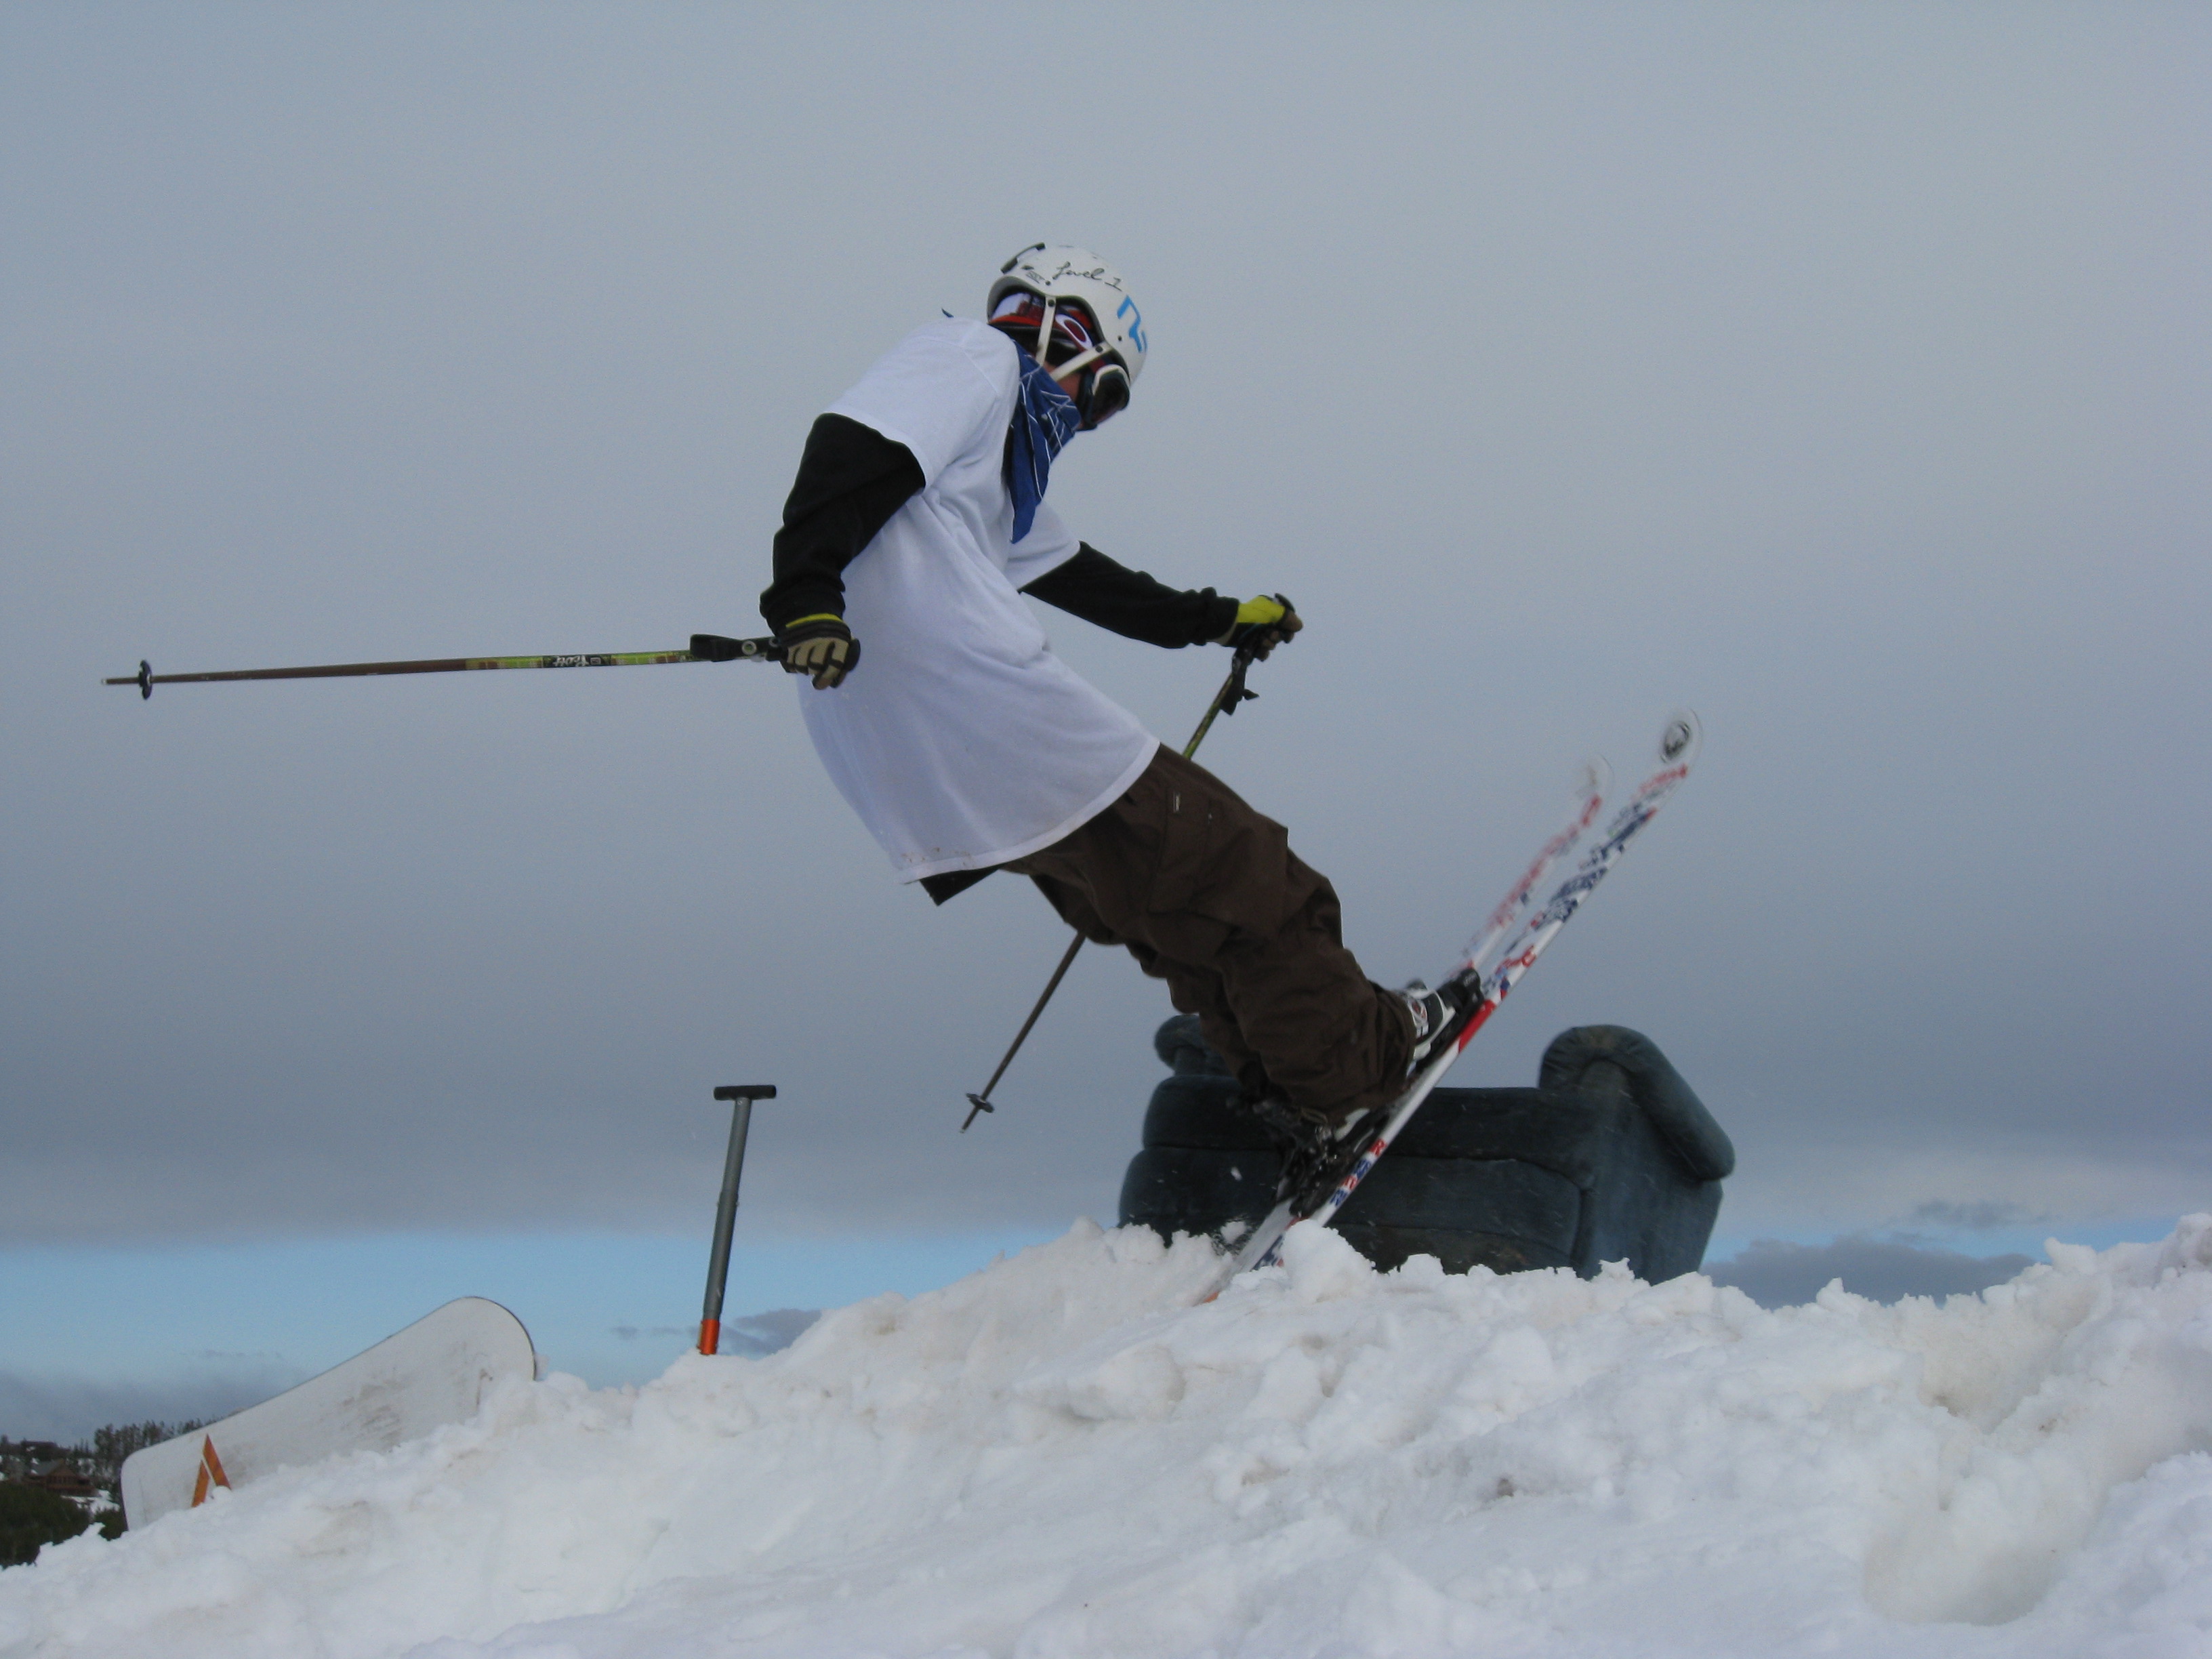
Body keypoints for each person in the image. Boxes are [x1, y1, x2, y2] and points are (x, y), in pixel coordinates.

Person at [759, 245, 1464, 1164]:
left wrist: (1218, 621)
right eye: (1106, 395)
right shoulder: (971, 356)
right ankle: (1362, 1062)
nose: (1091, 419)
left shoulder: (991, 479)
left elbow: (1088, 580)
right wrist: (804, 594)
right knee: (1245, 872)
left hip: (910, 760)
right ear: (1071, 333)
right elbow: (852, 445)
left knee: (1170, 915)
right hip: (986, 708)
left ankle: (1301, 1089)